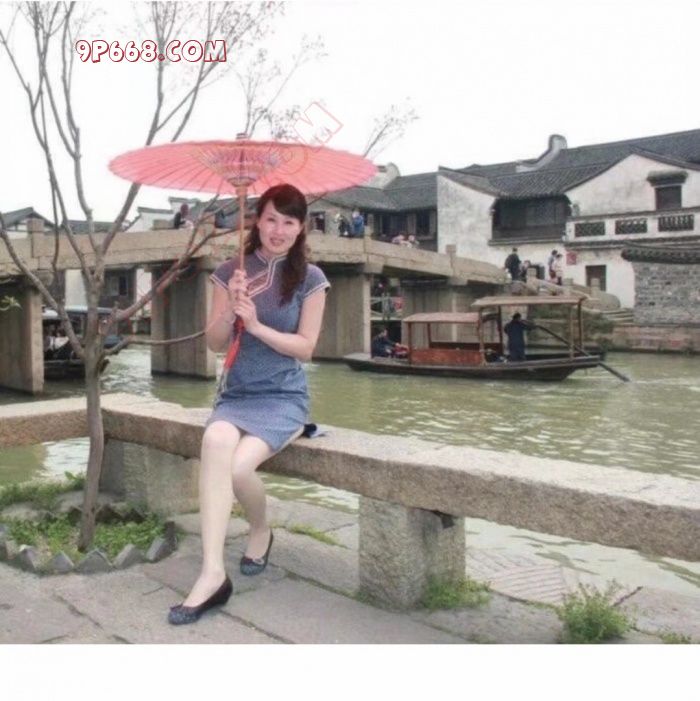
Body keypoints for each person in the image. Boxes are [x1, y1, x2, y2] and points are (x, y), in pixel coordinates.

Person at [168, 184, 330, 625]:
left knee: (240, 469)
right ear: (257, 220)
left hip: (283, 397)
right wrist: (230, 310)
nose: (278, 230)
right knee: (216, 439)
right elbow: (216, 344)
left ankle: (260, 529)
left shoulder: (311, 279)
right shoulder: (230, 272)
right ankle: (212, 573)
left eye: (289, 222)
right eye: (271, 218)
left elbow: (306, 348)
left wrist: (256, 325)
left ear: (301, 228)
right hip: (237, 395)